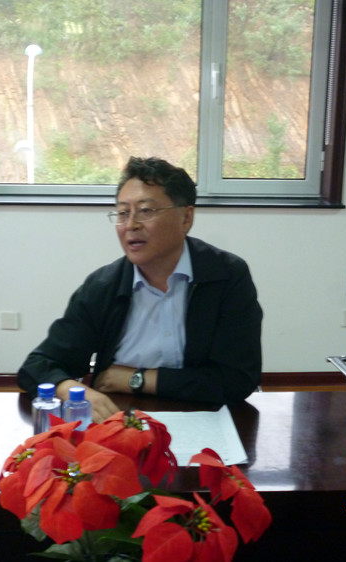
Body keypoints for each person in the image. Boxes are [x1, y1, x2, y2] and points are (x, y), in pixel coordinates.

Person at [18, 156, 262, 422]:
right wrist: (72, 391)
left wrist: (135, 379)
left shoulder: (226, 277)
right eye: (123, 213)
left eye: (146, 211)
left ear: (186, 217)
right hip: (121, 420)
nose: (131, 225)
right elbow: (36, 366)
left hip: (205, 419)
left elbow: (237, 380)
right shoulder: (103, 287)